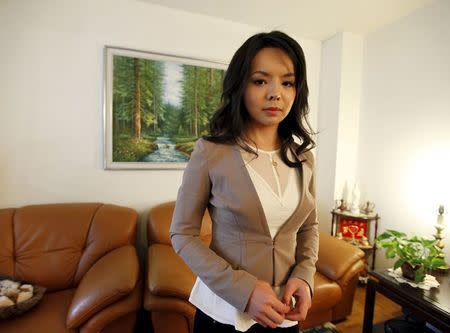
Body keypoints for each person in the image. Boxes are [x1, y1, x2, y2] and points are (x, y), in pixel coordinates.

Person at [170, 30, 319, 333]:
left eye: (287, 82)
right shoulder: (211, 152)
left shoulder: (304, 158)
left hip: (285, 314)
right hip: (224, 314)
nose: (276, 93)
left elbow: (308, 226)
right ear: (240, 86)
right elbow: (182, 235)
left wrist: (305, 274)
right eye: (260, 80)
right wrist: (244, 291)